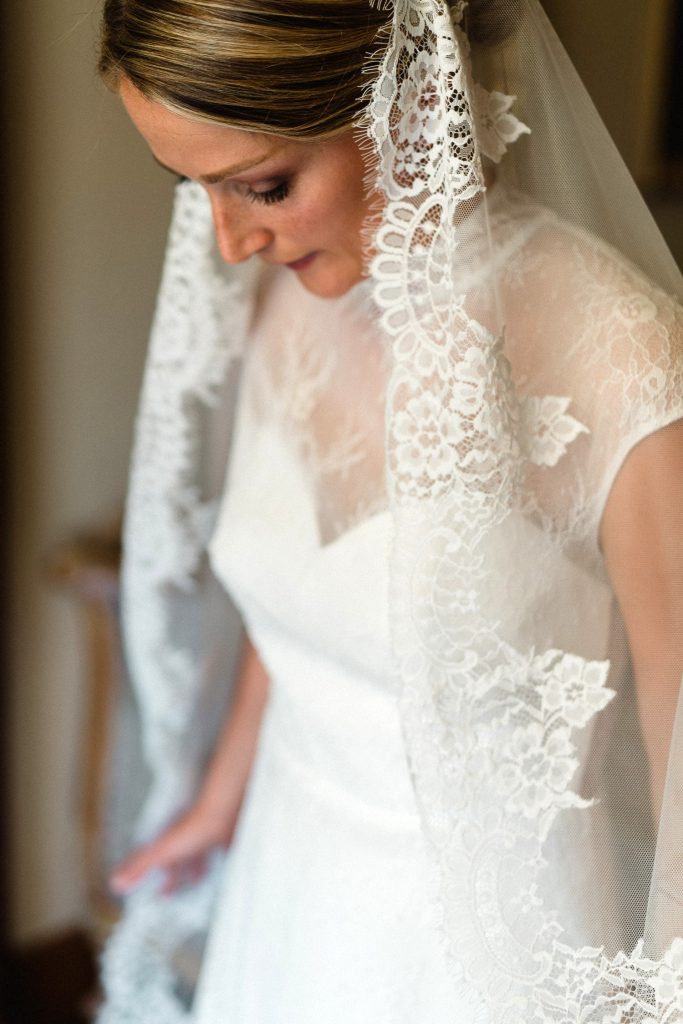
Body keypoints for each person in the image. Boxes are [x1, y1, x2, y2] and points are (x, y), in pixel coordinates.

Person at [96, 1, 683, 1021]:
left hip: (469, 963)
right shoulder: (293, 294)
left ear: (407, 101)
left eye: (263, 187)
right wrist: (220, 802)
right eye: (196, 191)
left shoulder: (617, 361)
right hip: (285, 880)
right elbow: (295, 621)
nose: (229, 243)